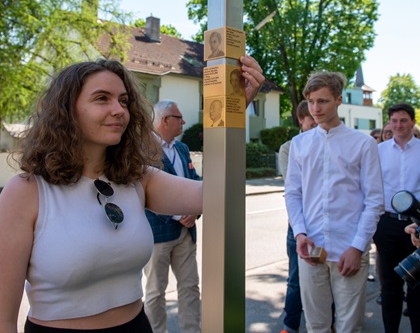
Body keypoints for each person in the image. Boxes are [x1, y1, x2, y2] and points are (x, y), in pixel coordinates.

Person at [0, 56, 264, 332]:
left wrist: (233, 109)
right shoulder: (26, 191)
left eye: (124, 101)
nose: (119, 110)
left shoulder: (137, 178)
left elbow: (217, 195)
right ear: (66, 111)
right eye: (102, 98)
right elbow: (4, 319)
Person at [285, 71, 384, 333]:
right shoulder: (299, 144)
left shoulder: (363, 144)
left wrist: (358, 246)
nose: (315, 109)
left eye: (323, 101)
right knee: (316, 325)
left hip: (350, 249)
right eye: (311, 102)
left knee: (349, 327)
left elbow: (374, 201)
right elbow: (293, 193)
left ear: (339, 100)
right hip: (311, 249)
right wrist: (300, 234)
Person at [143, 100, 201, 333]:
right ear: (165, 120)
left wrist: (196, 209)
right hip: (158, 234)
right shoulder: (142, 150)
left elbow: (194, 180)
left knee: (190, 287)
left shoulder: (182, 148)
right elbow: (144, 193)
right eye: (179, 117)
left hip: (186, 234)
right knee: (156, 292)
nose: (184, 122)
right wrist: (179, 214)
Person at [373, 103, 420, 333]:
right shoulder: (378, 151)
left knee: (417, 287)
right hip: (388, 225)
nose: (399, 125)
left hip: (417, 225)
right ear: (389, 123)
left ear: (412, 121)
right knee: (390, 287)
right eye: (394, 121)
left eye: (403, 120)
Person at [278, 100, 316, 333]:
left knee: (324, 275)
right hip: (299, 224)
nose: (315, 119)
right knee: (296, 278)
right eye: (309, 117)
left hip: (325, 224)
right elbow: (294, 186)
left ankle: (326, 323)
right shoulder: (289, 148)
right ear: (301, 120)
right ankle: (290, 325)